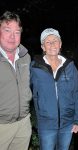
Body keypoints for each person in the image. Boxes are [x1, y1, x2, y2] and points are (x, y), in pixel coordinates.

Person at [30, 28, 78, 150]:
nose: (52, 44)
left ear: (60, 44)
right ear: (43, 47)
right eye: (48, 42)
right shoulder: (34, 67)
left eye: (55, 41)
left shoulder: (70, 66)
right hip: (46, 124)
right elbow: (27, 92)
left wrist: (77, 120)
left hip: (67, 124)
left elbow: (77, 94)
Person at [0, 11, 32, 150]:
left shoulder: (26, 57)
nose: (12, 36)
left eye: (17, 32)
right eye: (7, 30)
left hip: (23, 124)